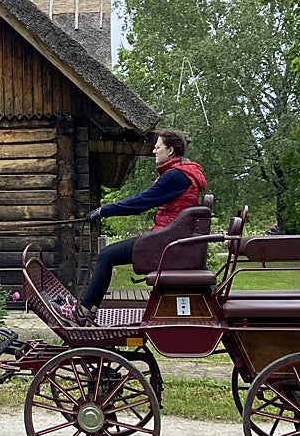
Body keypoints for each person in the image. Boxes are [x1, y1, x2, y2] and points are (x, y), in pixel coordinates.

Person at [71, 129, 206, 325]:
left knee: (107, 255)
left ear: (169, 151)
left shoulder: (175, 176)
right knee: (109, 255)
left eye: (157, 147)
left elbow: (141, 202)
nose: (154, 151)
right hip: (171, 238)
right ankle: (88, 310)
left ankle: (84, 311)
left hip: (168, 242)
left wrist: (104, 210)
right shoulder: (182, 173)